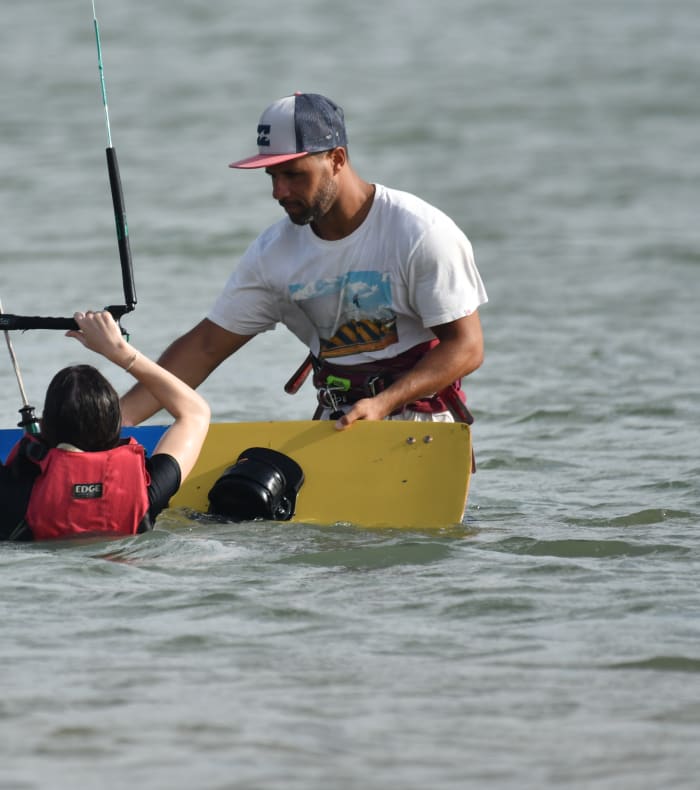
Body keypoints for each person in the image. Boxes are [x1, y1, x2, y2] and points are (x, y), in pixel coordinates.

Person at [120, 92, 487, 430]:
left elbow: (466, 347)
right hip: (336, 422)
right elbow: (204, 348)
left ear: (336, 159)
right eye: (272, 176)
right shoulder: (273, 253)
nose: (278, 192)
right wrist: (115, 424)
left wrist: (383, 403)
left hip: (423, 423)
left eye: (293, 175)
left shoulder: (420, 232)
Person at [0, 310, 210, 541]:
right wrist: (119, 351)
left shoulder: (11, 489)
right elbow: (195, 413)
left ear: (44, 425)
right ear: (116, 423)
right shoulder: (147, 492)